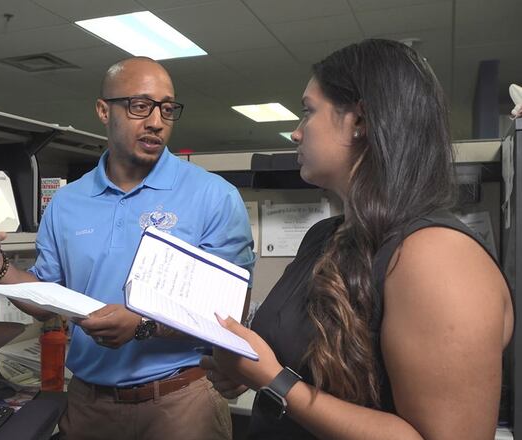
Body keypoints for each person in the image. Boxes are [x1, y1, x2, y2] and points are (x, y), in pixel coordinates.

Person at [200, 39, 514, 439]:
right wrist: (244, 371)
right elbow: (310, 370)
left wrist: (273, 381)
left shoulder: (437, 256)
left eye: (308, 111)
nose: (296, 133)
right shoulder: (324, 236)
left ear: (360, 120)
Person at [0, 56, 255, 440]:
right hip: (89, 404)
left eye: (167, 109)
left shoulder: (214, 196)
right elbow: (44, 296)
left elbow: (230, 314)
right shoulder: (67, 202)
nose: (156, 121)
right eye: (139, 106)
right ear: (103, 110)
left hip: (182, 402)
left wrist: (143, 326)